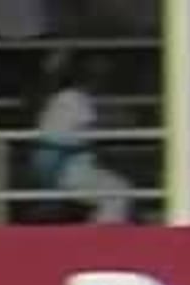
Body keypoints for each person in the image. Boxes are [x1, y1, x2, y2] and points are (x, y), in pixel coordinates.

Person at [28, 53, 133, 225]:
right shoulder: (72, 98)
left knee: (117, 187)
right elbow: (98, 126)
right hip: (65, 168)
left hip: (67, 166)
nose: (102, 80)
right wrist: (123, 119)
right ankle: (100, 243)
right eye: (98, 75)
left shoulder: (67, 97)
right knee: (118, 191)